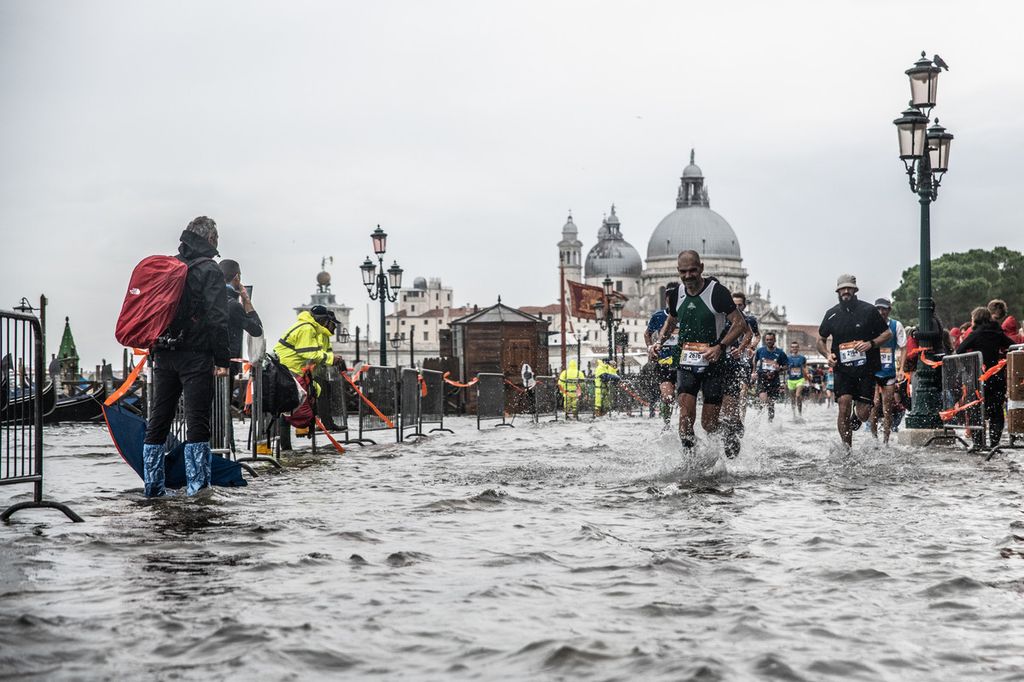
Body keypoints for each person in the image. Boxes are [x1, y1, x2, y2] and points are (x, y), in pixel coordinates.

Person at [142, 216, 230, 497]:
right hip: (196, 355)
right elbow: (218, 319)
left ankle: (153, 487)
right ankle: (198, 489)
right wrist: (222, 360)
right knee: (197, 421)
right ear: (212, 240)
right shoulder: (209, 269)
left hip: (164, 353)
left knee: (158, 419)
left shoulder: (171, 265)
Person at [652, 250, 748, 452]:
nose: (688, 276)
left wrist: (720, 346)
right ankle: (692, 467)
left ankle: (728, 433)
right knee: (685, 423)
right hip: (686, 362)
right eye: (683, 272)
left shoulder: (717, 292)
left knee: (709, 425)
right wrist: (659, 342)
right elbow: (671, 320)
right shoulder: (676, 294)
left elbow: (739, 323)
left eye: (692, 271)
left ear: (701, 268)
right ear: (678, 271)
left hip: (714, 364)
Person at [816, 274, 891, 448]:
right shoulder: (832, 314)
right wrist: (827, 354)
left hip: (866, 368)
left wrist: (870, 344)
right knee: (843, 404)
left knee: (864, 414)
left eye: (849, 288)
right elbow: (820, 339)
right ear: (838, 291)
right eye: (843, 288)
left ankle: (857, 417)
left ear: (855, 290)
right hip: (843, 369)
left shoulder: (869, 311)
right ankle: (847, 450)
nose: (846, 291)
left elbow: (887, 334)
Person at [273, 305, 344, 434]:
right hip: (289, 368)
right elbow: (309, 353)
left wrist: (331, 359)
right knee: (290, 402)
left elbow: (316, 353)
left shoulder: (312, 328)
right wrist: (331, 359)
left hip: (294, 369)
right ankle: (293, 433)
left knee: (315, 390)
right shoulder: (307, 328)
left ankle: (307, 424)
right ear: (323, 320)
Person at [956, 306, 1016, 448]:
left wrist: (968, 364)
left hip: (980, 377)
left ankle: (978, 444)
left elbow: (959, 350)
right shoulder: (997, 333)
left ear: (976, 319)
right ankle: (994, 444)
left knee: (976, 410)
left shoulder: (976, 334)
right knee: (996, 412)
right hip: (996, 377)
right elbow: (1013, 345)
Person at [219, 259, 263, 409]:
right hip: (226, 365)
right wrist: (246, 300)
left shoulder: (208, 298)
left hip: (203, 363)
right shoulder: (232, 304)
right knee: (221, 409)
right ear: (236, 277)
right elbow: (256, 330)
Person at [719, 291, 759, 455]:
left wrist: (749, 347)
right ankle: (732, 418)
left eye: (739, 305)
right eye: (734, 304)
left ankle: (739, 417)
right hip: (725, 360)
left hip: (742, 360)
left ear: (744, 305)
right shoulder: (724, 318)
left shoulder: (749, 320)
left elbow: (755, 336)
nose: (736, 307)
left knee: (742, 390)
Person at [869, 298, 907, 444]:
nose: (881, 312)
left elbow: (903, 347)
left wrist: (901, 369)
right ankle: (874, 439)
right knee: (874, 404)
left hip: (889, 372)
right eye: (878, 309)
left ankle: (885, 442)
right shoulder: (869, 325)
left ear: (889, 310)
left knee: (887, 407)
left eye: (884, 309)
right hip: (873, 372)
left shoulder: (896, 325)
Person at [644, 283, 680, 425]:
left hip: (683, 363)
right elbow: (647, 334)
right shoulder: (658, 316)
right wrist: (650, 348)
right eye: (669, 298)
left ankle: (684, 425)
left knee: (685, 398)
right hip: (664, 362)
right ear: (665, 299)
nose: (672, 300)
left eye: (675, 297)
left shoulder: (687, 314)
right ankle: (667, 425)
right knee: (667, 397)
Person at [754, 332, 788, 422]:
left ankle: (770, 423)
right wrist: (753, 372)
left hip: (774, 381)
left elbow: (786, 366)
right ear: (765, 340)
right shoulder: (760, 350)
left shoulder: (780, 353)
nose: (769, 341)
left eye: (771, 340)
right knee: (764, 401)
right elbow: (755, 360)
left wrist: (779, 368)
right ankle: (758, 421)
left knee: (771, 404)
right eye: (767, 340)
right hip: (762, 379)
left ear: (774, 340)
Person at [785, 341, 809, 418]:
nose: (794, 348)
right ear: (791, 348)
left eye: (796, 347)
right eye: (793, 347)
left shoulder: (802, 358)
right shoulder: (787, 358)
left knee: (798, 396)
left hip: (800, 379)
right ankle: (794, 414)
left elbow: (805, 367)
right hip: (791, 380)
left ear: (798, 348)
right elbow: (784, 367)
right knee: (792, 399)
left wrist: (807, 375)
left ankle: (800, 413)